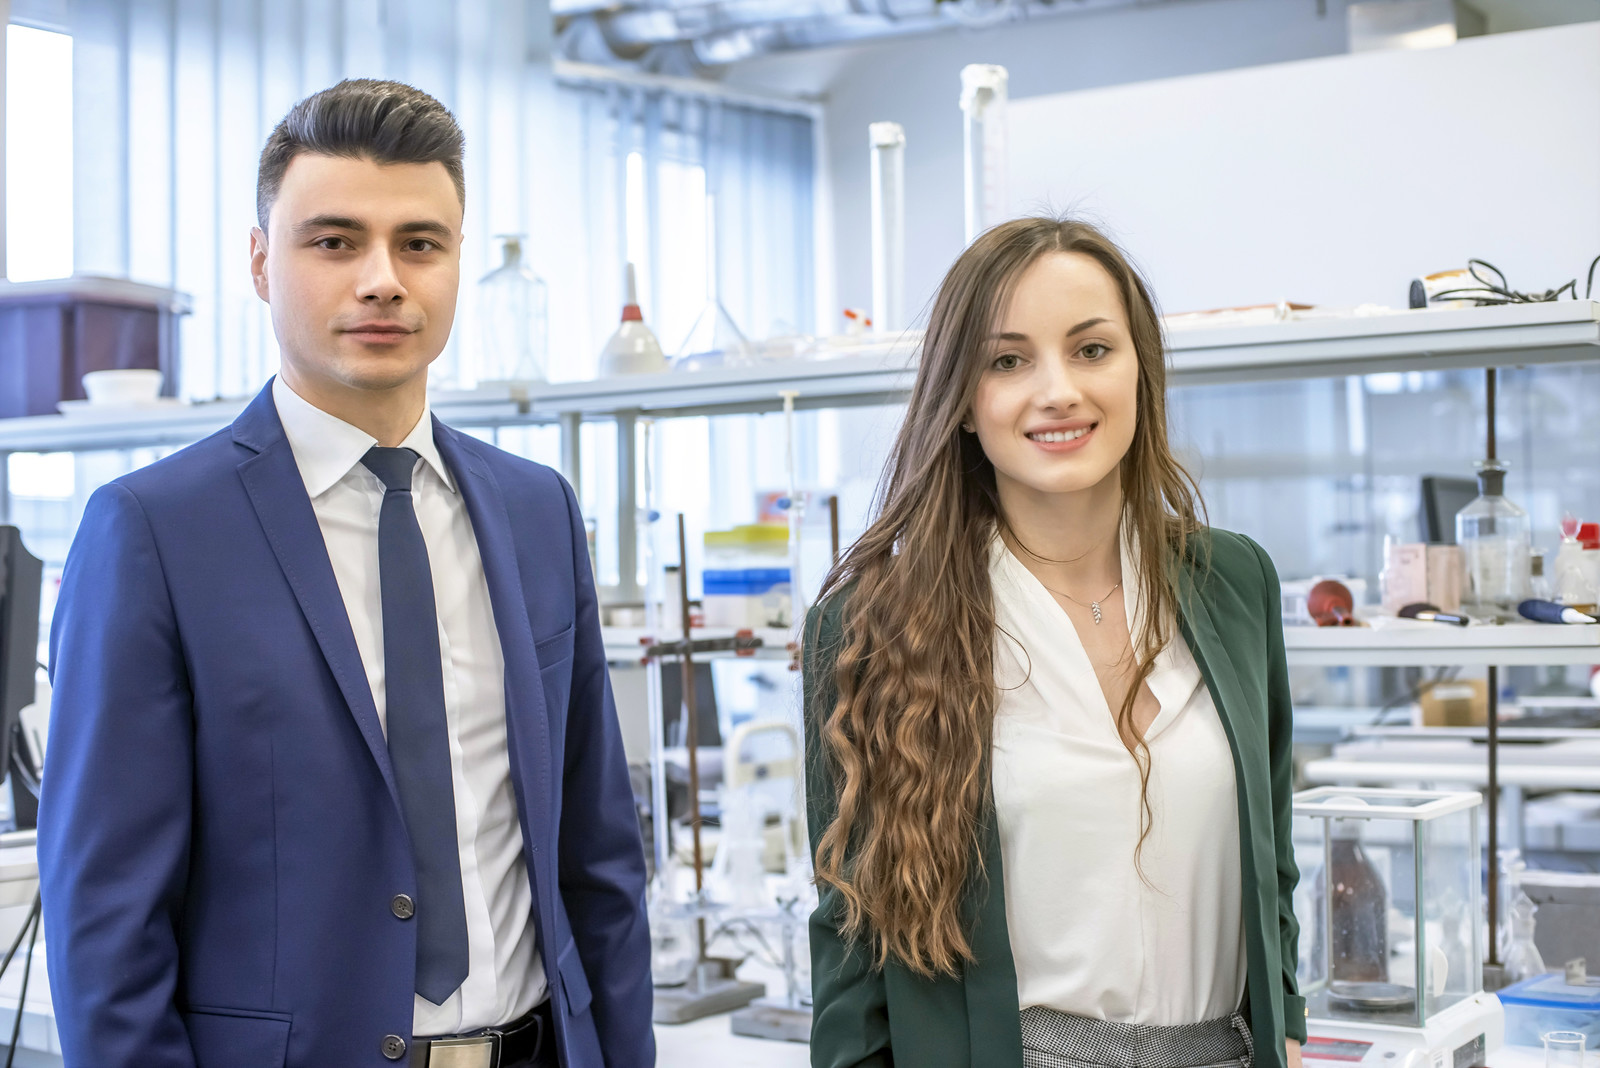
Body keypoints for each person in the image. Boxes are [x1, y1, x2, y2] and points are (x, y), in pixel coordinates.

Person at [39, 79, 653, 1068]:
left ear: (455, 261)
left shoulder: (537, 511)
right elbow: (107, 922)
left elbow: (599, 859)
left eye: (420, 244)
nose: (383, 281)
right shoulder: (153, 532)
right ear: (260, 262)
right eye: (334, 242)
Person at [802, 217, 1305, 1068]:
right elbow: (852, 951)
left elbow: (1272, 854)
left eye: (1091, 350)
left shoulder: (1234, 582)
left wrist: (1284, 1017)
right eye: (1008, 361)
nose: (1058, 390)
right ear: (963, 401)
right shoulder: (871, 626)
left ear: (1140, 368)